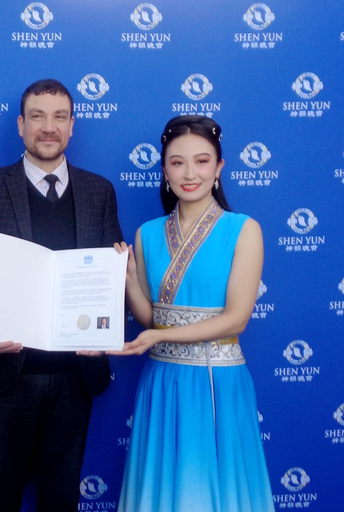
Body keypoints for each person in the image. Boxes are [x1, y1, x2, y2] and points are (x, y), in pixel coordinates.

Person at [0, 79, 123, 511]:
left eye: (59, 117)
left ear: (72, 125)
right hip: (6, 375)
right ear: (21, 125)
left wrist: (116, 287)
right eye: (38, 116)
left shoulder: (99, 191)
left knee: (61, 501)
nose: (48, 127)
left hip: (75, 376)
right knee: (2, 500)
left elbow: (111, 277)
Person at [110, 115, 274, 512]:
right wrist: (129, 279)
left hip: (217, 379)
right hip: (162, 379)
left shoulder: (243, 229)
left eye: (202, 161)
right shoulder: (147, 233)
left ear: (219, 168)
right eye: (177, 162)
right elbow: (151, 318)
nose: (189, 173)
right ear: (164, 170)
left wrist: (160, 336)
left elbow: (237, 319)